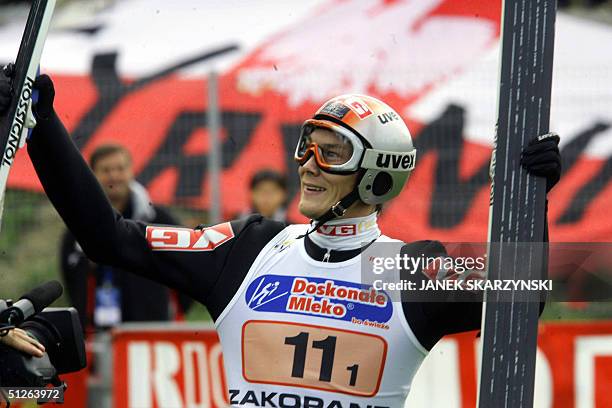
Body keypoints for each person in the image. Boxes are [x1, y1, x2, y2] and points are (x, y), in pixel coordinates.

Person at [0, 74, 561, 407]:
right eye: (306, 145)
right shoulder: (252, 247)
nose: (307, 165)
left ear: (380, 174)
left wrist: (524, 198)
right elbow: (108, 238)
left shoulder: (400, 269)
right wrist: (41, 124)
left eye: (332, 152)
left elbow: (525, 294)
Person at [60, 143, 192, 331]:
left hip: (153, 334)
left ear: (131, 171)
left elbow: (186, 268)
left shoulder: (159, 220)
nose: (114, 176)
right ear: (93, 175)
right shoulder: (78, 227)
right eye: (106, 170)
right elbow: (73, 281)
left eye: (120, 169)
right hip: (101, 339)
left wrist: (169, 312)